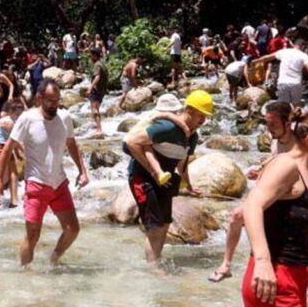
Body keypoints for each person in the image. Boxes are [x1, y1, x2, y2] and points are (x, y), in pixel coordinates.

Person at [241, 108, 308, 307]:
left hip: (294, 279)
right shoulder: (286, 164)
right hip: (273, 280)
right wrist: (262, 262)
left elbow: (299, 235)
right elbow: (252, 205)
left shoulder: (307, 172)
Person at [0, 79, 89, 267]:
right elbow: (8, 147)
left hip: (59, 183)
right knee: (33, 236)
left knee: (72, 229)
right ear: (39, 98)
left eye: (57, 100)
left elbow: (71, 144)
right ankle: (25, 273)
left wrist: (82, 171)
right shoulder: (27, 118)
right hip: (36, 184)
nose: (54, 105)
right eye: (50, 101)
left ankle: (54, 258)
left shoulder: (65, 117)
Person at [209, 101, 295, 283]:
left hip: (288, 192)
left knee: (240, 215)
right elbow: (275, 157)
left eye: (273, 124)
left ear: (288, 124)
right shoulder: (276, 138)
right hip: (273, 187)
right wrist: (261, 168)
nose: (269, 129)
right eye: (267, 123)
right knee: (236, 217)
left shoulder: (298, 143)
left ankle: (253, 264)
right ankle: (226, 265)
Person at [124, 90, 211, 263]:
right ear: (189, 110)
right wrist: (152, 171)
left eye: (206, 116)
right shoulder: (167, 128)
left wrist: (188, 185)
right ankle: (153, 268)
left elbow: (182, 163)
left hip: (166, 179)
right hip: (142, 177)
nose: (203, 120)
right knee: (154, 227)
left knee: (164, 224)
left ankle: (156, 260)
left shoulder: (192, 136)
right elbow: (131, 142)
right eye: (201, 115)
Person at [251, 39, 308, 106]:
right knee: (296, 107)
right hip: (296, 83)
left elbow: (267, 57)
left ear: (294, 45)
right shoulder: (304, 56)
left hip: (283, 82)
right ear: (303, 47)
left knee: (283, 107)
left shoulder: (284, 51)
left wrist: (256, 61)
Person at [0, 100, 24, 208]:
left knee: (14, 173)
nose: (19, 116)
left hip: (7, 147)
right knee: (3, 174)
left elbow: (12, 141)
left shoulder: (15, 122)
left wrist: (17, 153)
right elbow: (16, 139)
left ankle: (14, 201)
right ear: (10, 112)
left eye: (20, 114)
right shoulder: (7, 122)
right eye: (16, 114)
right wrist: (25, 151)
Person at [88, 47, 108, 134]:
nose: (90, 58)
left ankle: (99, 129)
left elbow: (97, 77)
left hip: (96, 90)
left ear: (95, 56)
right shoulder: (102, 64)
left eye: (91, 56)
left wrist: (90, 88)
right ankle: (97, 126)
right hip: (102, 90)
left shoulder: (97, 65)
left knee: (94, 110)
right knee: (97, 109)